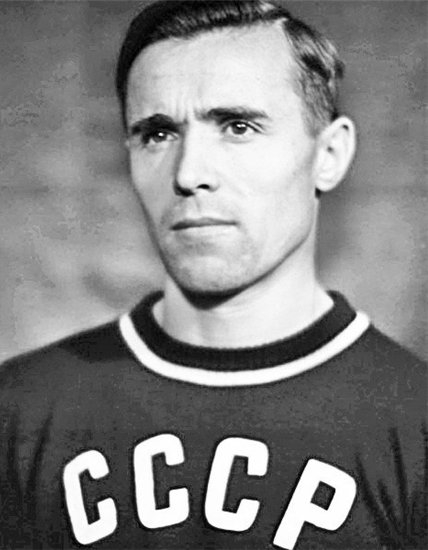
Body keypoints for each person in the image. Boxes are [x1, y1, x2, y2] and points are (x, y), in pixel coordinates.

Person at [0, 1, 426, 548]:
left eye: (238, 126)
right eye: (158, 134)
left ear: (330, 154)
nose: (189, 173)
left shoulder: (413, 426)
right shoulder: (19, 413)